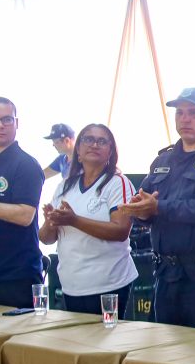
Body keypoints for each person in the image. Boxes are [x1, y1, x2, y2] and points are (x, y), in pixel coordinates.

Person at [119, 88, 195, 329]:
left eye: (193, 112)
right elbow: (146, 202)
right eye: (180, 113)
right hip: (165, 274)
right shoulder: (163, 159)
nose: (185, 119)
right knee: (162, 345)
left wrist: (158, 207)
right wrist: (141, 211)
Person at [38, 124, 137, 316]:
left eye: (102, 141)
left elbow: (120, 231)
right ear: (78, 150)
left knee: (105, 335)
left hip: (109, 285)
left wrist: (74, 220)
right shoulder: (64, 186)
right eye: (88, 139)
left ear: (110, 151)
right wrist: (51, 221)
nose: (94, 145)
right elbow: (46, 238)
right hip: (71, 285)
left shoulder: (118, 183)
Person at [0, 97, 44, 308]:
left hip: (16, 277)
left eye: (7, 119)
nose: (1, 125)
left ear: (16, 123)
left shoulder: (26, 164)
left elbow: (25, 215)